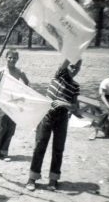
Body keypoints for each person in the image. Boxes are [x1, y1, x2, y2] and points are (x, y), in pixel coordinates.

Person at [26, 59, 82, 191]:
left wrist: (65, 104)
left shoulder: (75, 86)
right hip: (47, 115)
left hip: (62, 118)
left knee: (58, 148)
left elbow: (75, 107)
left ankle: (53, 179)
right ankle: (32, 178)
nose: (74, 70)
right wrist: (74, 51)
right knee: (40, 145)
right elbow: (66, 60)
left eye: (77, 68)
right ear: (67, 67)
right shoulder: (59, 75)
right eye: (72, 67)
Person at [0, 49, 29, 161]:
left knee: (10, 128)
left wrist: (21, 95)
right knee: (0, 127)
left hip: (14, 103)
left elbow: (27, 83)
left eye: (14, 58)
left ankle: (4, 152)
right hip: (2, 102)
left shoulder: (19, 72)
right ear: (6, 58)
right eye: (10, 57)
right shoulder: (1, 71)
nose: (12, 60)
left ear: (17, 59)